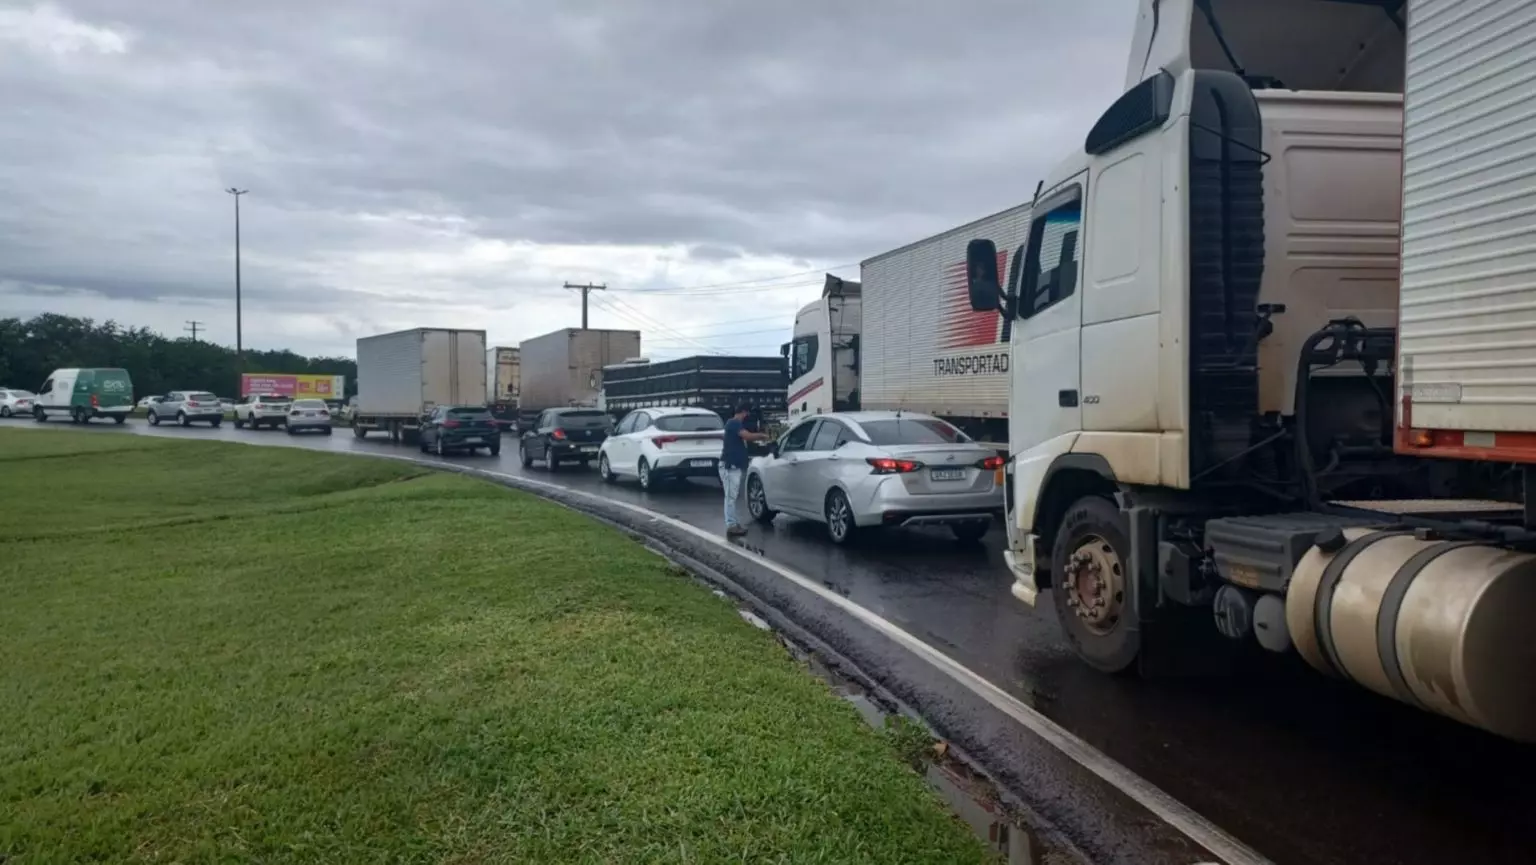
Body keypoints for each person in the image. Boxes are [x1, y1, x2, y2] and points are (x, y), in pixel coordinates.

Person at [720, 403, 769, 536]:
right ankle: (731, 524)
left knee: (732, 496)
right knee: (730, 496)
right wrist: (761, 436)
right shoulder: (734, 423)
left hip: (733, 466)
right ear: (742, 412)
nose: (746, 416)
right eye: (746, 413)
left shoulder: (733, 424)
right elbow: (747, 436)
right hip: (730, 466)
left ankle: (734, 523)